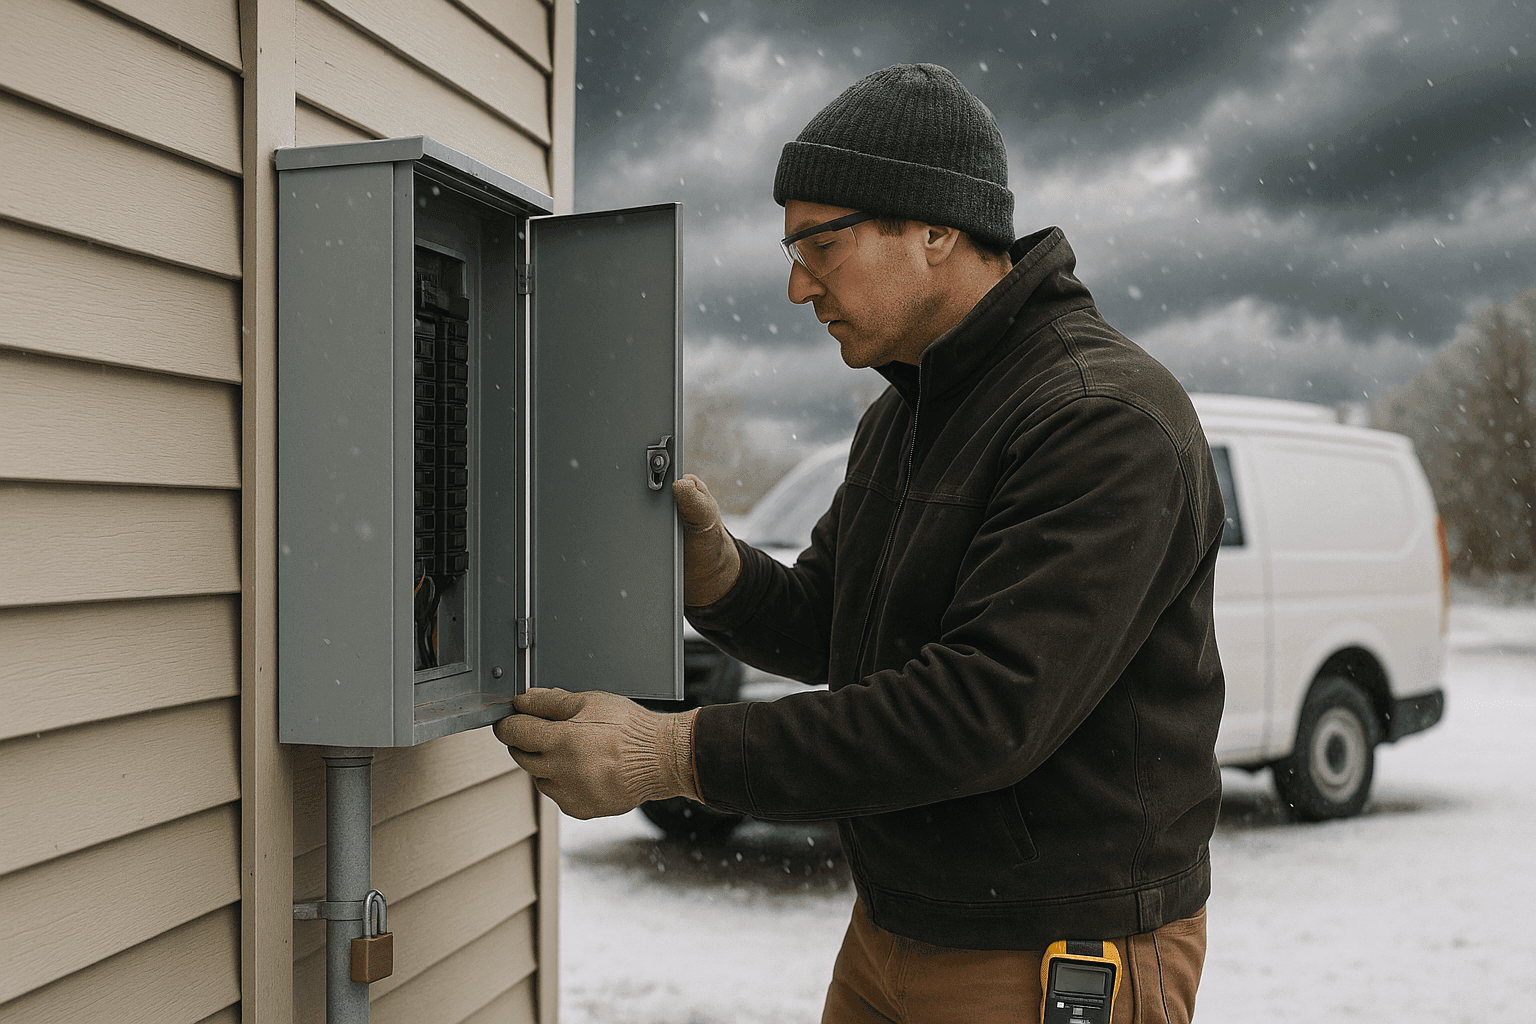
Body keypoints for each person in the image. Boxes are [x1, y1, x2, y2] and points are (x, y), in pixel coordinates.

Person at [496, 63, 1225, 1024]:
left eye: (820, 245)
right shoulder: (907, 408)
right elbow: (838, 627)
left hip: (1050, 951)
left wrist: (668, 755)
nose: (798, 286)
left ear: (935, 231)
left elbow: (980, 711)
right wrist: (722, 581)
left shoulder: (1101, 419)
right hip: (892, 929)